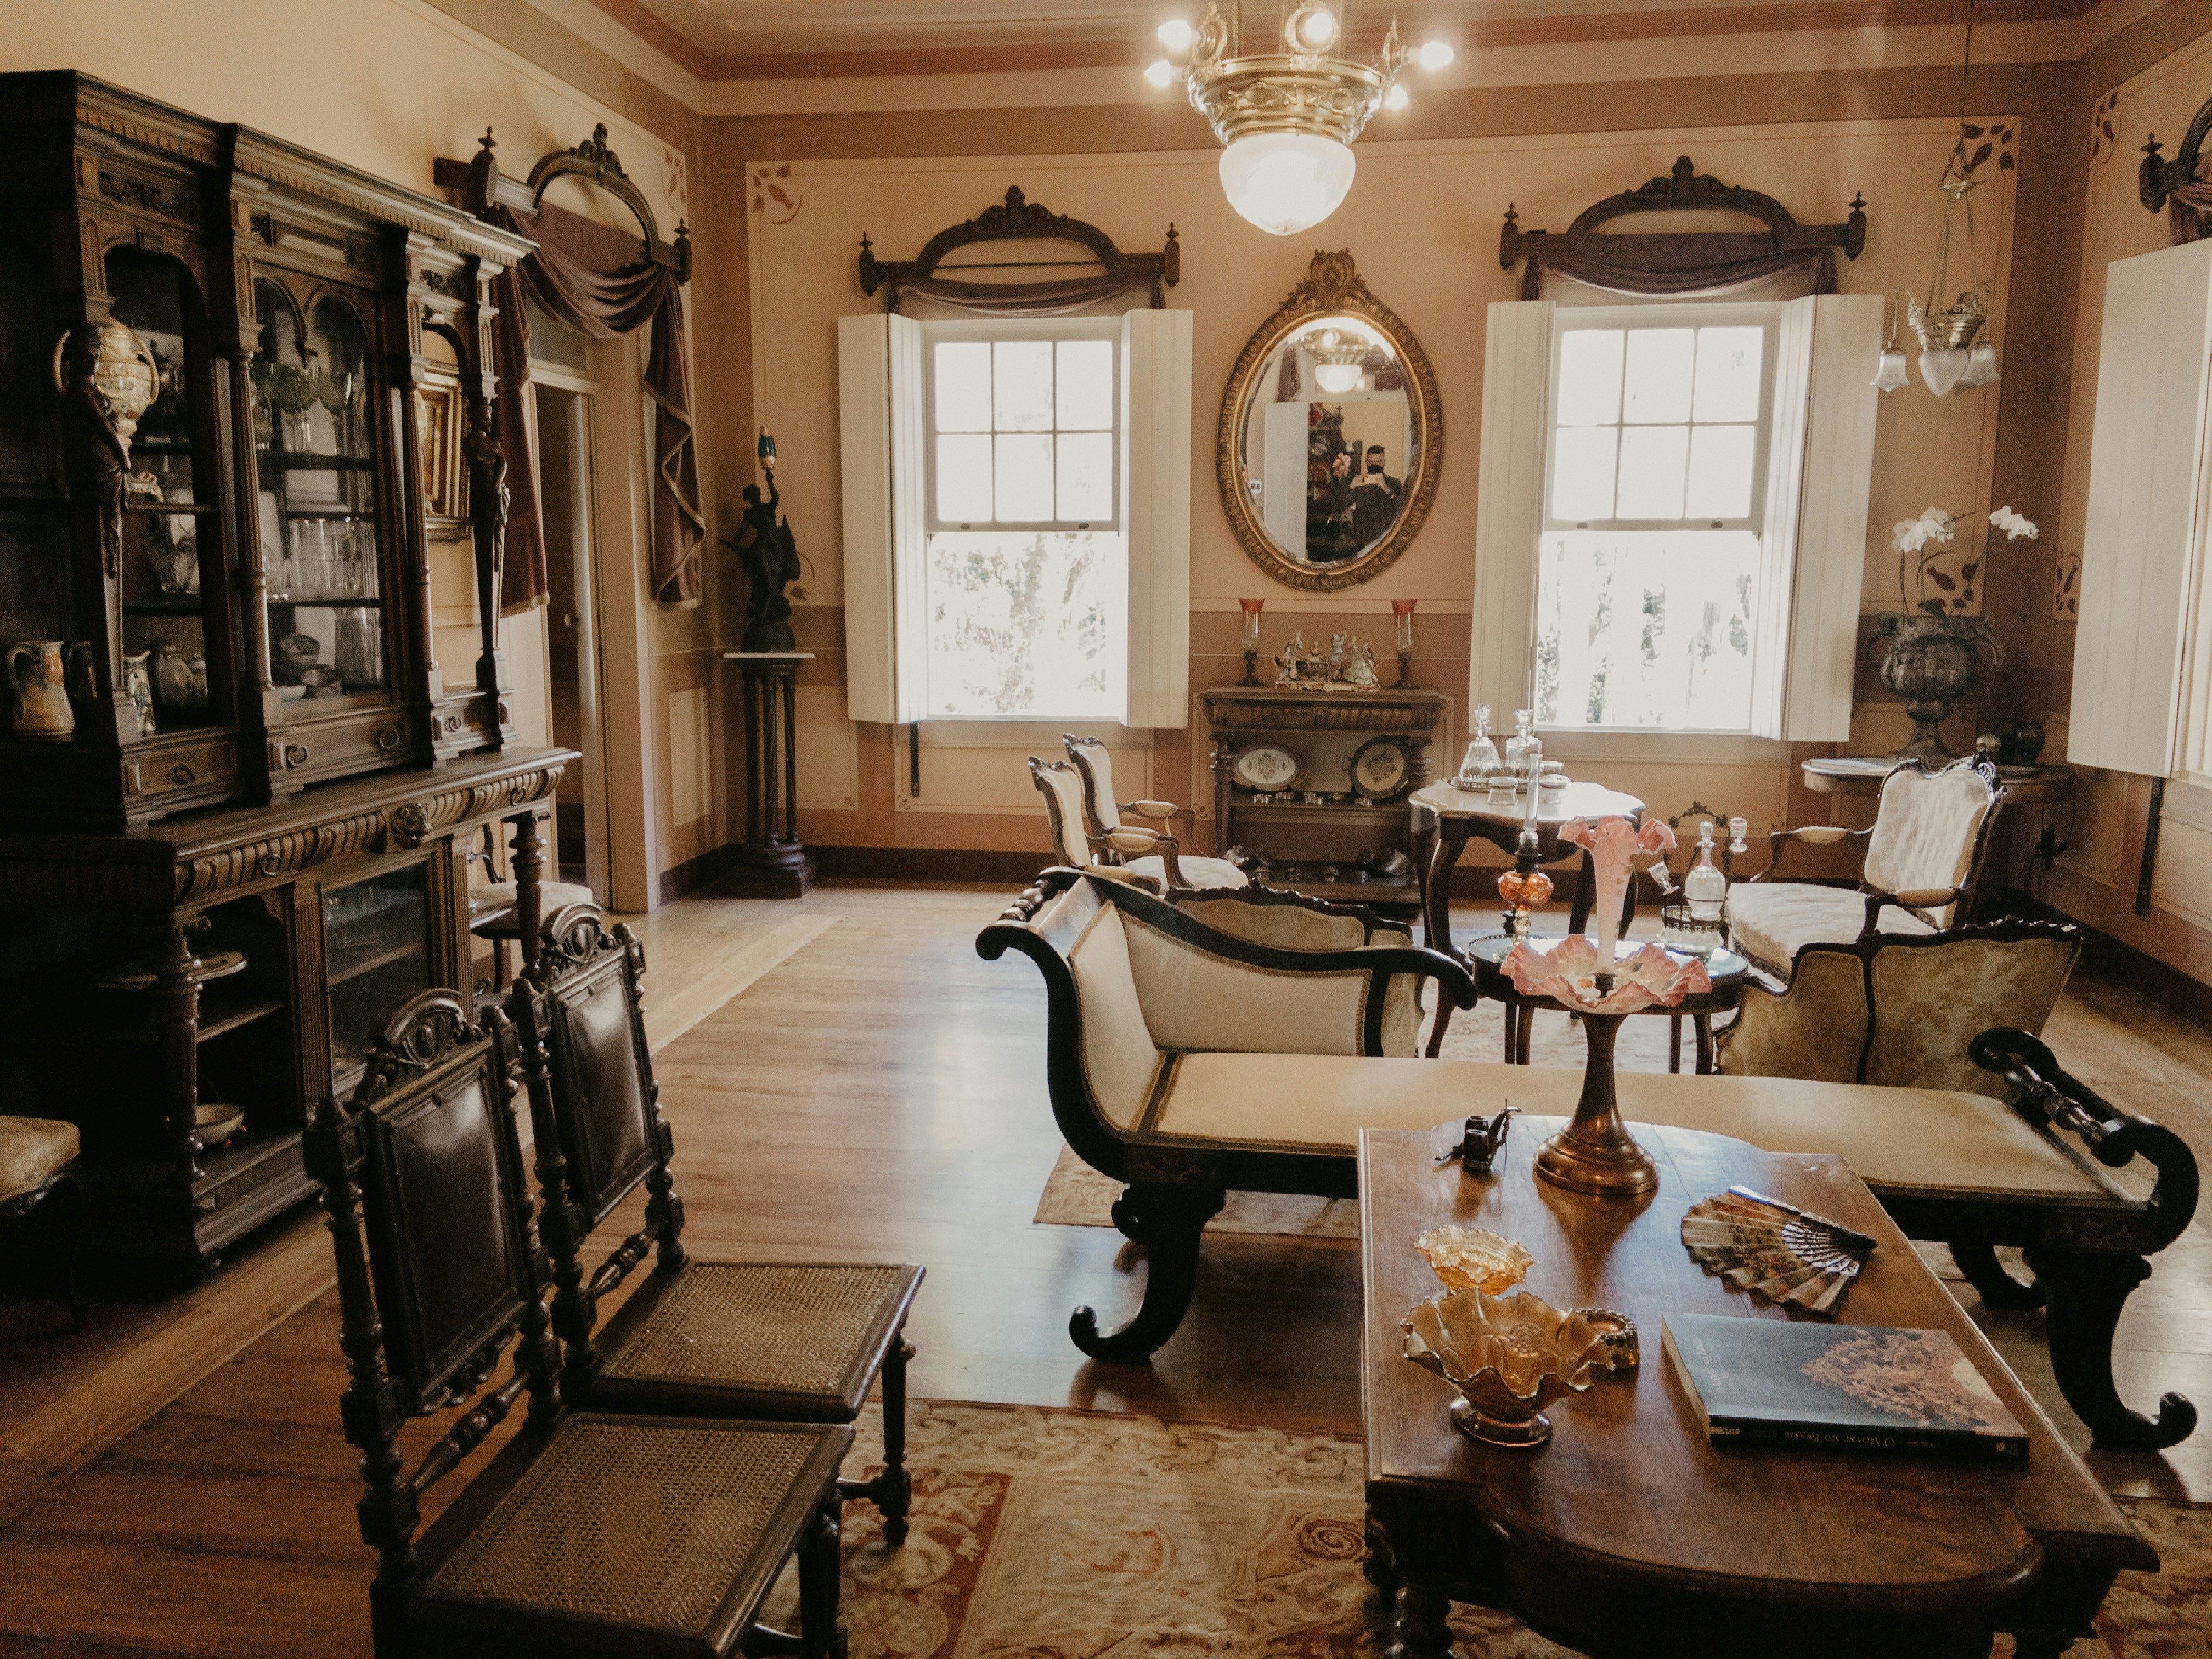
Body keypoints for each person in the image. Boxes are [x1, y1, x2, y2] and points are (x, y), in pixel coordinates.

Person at [726, 475, 804, 651]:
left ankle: (769, 610)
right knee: (766, 582)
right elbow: (742, 531)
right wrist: (734, 542)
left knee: (776, 582)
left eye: (757, 494)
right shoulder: (750, 514)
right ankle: (764, 610)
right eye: (753, 495)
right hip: (762, 548)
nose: (756, 497)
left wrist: (770, 481)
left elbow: (775, 497)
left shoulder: (769, 507)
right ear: (749, 499)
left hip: (776, 547)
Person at [1347, 443, 1404, 552]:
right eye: (1371, 462)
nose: (1375, 465)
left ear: (1384, 463)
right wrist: (1351, 487)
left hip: (1387, 538)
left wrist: (1387, 489)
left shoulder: (1394, 483)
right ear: (1366, 462)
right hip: (1362, 541)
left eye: (1379, 462)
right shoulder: (1359, 482)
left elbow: (1402, 509)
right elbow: (1340, 506)